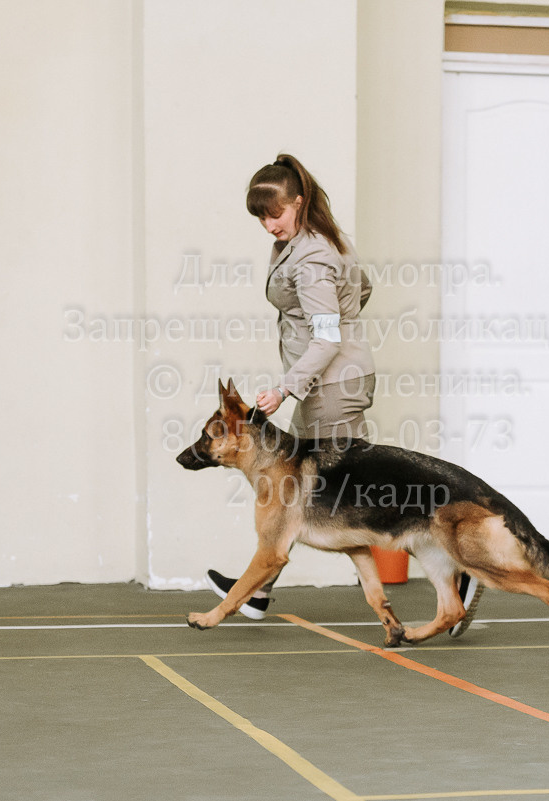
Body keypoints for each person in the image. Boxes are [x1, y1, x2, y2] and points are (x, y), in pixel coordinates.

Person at [205, 154, 482, 637]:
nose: (269, 225)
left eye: (275, 213)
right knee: (297, 487)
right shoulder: (325, 237)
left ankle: (460, 568)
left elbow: (327, 338)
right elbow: (362, 290)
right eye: (261, 218)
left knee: (343, 489)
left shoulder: (312, 258)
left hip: (329, 385)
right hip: (330, 381)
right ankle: (260, 590)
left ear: (298, 201)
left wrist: (286, 387)